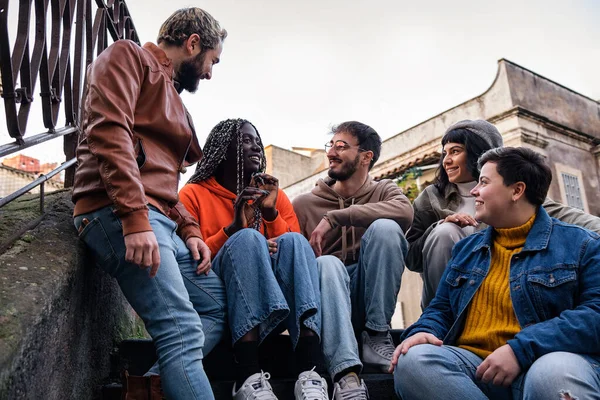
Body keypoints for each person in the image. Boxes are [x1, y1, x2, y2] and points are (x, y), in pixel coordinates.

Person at [72, 8, 227, 400]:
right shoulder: (128, 56)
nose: (210, 73)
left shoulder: (175, 100)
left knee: (214, 310)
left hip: (160, 221)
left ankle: (146, 390)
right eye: (212, 60)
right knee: (182, 329)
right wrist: (134, 219)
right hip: (118, 211)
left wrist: (190, 229)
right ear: (193, 43)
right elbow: (108, 130)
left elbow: (165, 183)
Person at [391, 147, 600, 400]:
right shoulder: (466, 249)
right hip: (473, 372)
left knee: (552, 373)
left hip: (545, 361)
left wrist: (520, 350)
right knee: (413, 359)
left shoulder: (581, 245)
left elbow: (595, 314)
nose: (475, 191)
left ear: (517, 190)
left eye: (484, 182)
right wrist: (424, 331)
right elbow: (442, 309)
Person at [181, 119, 336, 400]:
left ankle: (310, 371)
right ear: (221, 150)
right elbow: (194, 259)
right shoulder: (193, 194)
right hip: (222, 297)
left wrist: (269, 214)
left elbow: (295, 253)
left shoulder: (276, 197)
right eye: (245, 141)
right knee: (248, 240)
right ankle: (248, 375)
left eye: (256, 140)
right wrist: (234, 230)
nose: (255, 146)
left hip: (275, 303)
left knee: (293, 240)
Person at [407, 119, 600, 309]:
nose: (446, 160)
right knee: (444, 232)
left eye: (455, 151)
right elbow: (411, 258)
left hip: (499, 288)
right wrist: (439, 226)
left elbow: (565, 216)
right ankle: (442, 319)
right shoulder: (431, 198)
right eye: (444, 153)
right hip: (444, 301)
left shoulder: (512, 193)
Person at [293, 121, 414, 373]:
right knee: (328, 263)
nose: (331, 153)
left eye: (341, 146)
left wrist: (337, 217)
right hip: (326, 302)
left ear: (365, 157)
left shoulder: (385, 190)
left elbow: (405, 212)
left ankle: (377, 335)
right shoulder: (304, 204)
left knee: (386, 228)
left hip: (367, 299)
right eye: (331, 145)